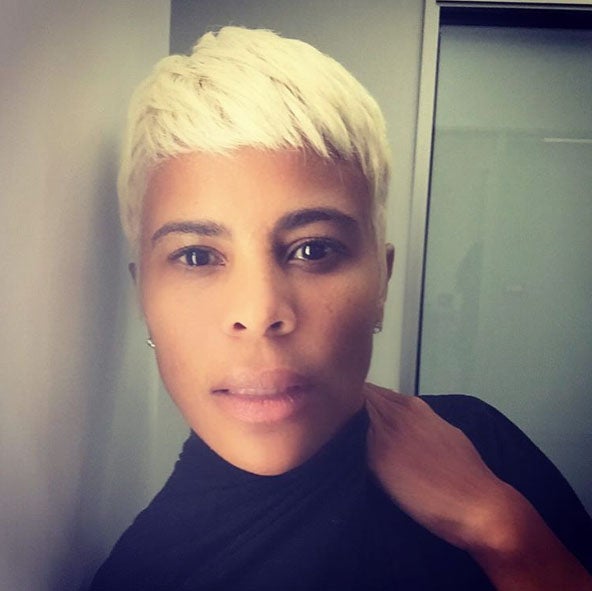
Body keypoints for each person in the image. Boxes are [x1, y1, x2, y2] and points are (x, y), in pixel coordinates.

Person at [90, 26, 592, 590]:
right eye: (197, 256)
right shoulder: (142, 575)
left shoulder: (479, 443)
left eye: (313, 249)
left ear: (382, 281)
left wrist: (504, 530)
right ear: (143, 297)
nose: (260, 311)